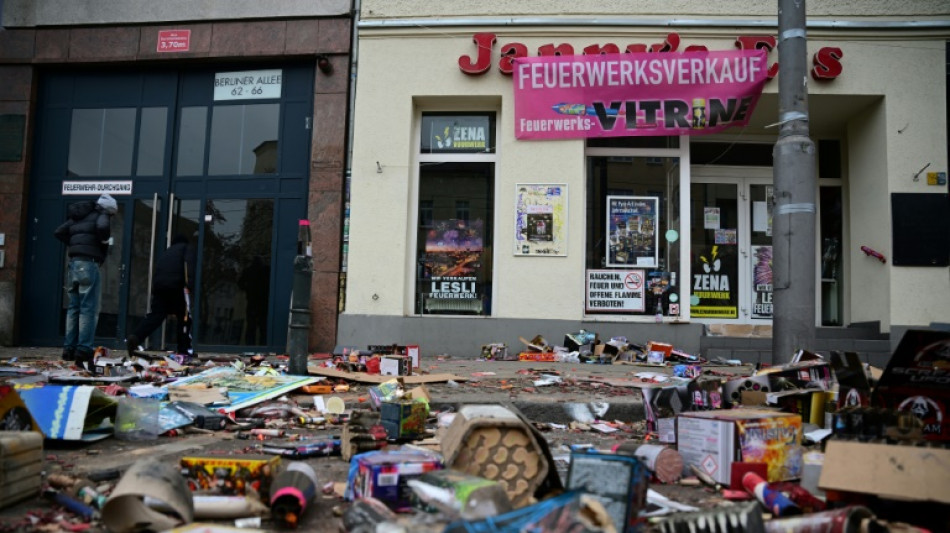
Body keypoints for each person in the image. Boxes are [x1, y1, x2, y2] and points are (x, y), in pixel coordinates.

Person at [54, 193, 116, 369]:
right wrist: (103, 241)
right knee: (89, 308)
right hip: (89, 264)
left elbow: (58, 231)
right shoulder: (102, 214)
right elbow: (103, 227)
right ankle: (84, 349)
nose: (111, 217)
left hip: (73, 264)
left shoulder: (80, 216)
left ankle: (69, 348)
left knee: (74, 307)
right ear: (109, 209)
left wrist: (75, 244)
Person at [126, 233, 197, 357]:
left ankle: (136, 337)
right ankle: (184, 350)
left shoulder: (166, 252)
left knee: (156, 316)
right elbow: (189, 266)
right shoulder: (186, 248)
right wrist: (189, 285)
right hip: (177, 286)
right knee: (184, 317)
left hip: (160, 288)